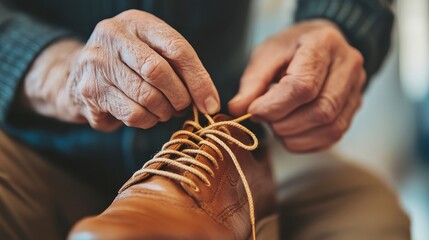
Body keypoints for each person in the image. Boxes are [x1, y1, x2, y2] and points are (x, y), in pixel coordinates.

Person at [0, 0, 409, 239]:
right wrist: (56, 72)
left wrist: (336, 24)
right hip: (32, 144)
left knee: (372, 219)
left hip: (231, 144)